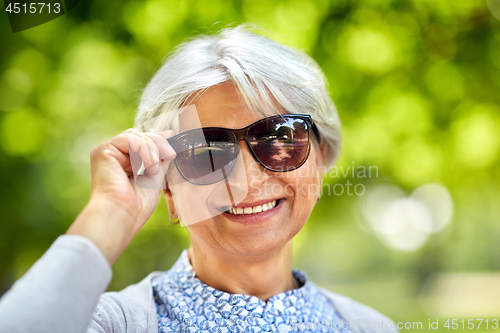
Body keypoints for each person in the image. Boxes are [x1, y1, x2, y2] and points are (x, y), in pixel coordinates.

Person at [0, 25, 398, 333]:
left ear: (320, 159)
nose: (245, 179)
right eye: (206, 151)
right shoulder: (113, 324)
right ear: (168, 189)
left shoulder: (370, 328)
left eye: (279, 138)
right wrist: (110, 213)